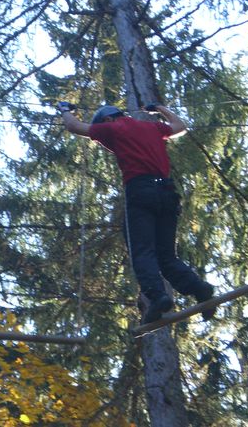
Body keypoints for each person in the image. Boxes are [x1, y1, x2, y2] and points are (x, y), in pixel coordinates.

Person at [57, 101, 215, 324]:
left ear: (108, 119)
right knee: (166, 256)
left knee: (141, 250)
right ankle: (199, 289)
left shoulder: (111, 128)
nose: (105, 144)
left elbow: (75, 127)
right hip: (168, 194)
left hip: (141, 191)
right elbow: (180, 126)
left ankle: (158, 296)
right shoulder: (152, 128)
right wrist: (159, 108)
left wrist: (65, 111)